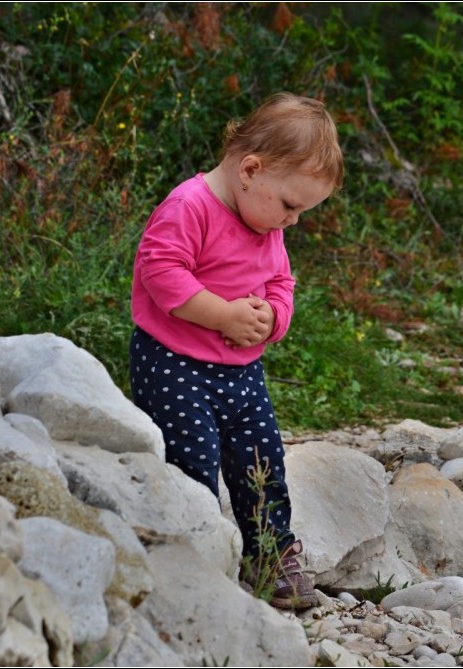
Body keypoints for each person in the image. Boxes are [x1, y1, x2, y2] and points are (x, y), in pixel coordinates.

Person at [129, 92, 343, 609]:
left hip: (241, 373)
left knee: (261, 461)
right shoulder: (190, 206)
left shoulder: (265, 223)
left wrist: (273, 317)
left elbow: (281, 282)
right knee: (191, 462)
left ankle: (269, 553)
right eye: (291, 206)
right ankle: (189, 555)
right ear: (250, 170)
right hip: (172, 363)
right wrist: (223, 315)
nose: (292, 221)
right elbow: (160, 272)